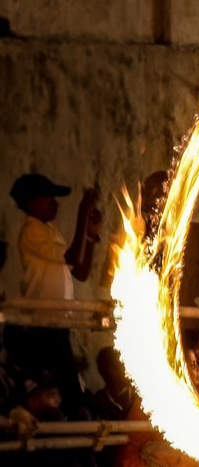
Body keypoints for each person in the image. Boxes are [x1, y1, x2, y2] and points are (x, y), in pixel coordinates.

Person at [7, 173, 101, 419]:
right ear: (31, 203)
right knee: (66, 382)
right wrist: (82, 213)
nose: (55, 204)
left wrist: (91, 237)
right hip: (44, 322)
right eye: (49, 199)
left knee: (67, 381)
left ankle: (75, 414)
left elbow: (79, 271)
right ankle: (75, 417)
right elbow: (70, 257)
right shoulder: (31, 231)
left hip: (58, 321)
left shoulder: (50, 231)